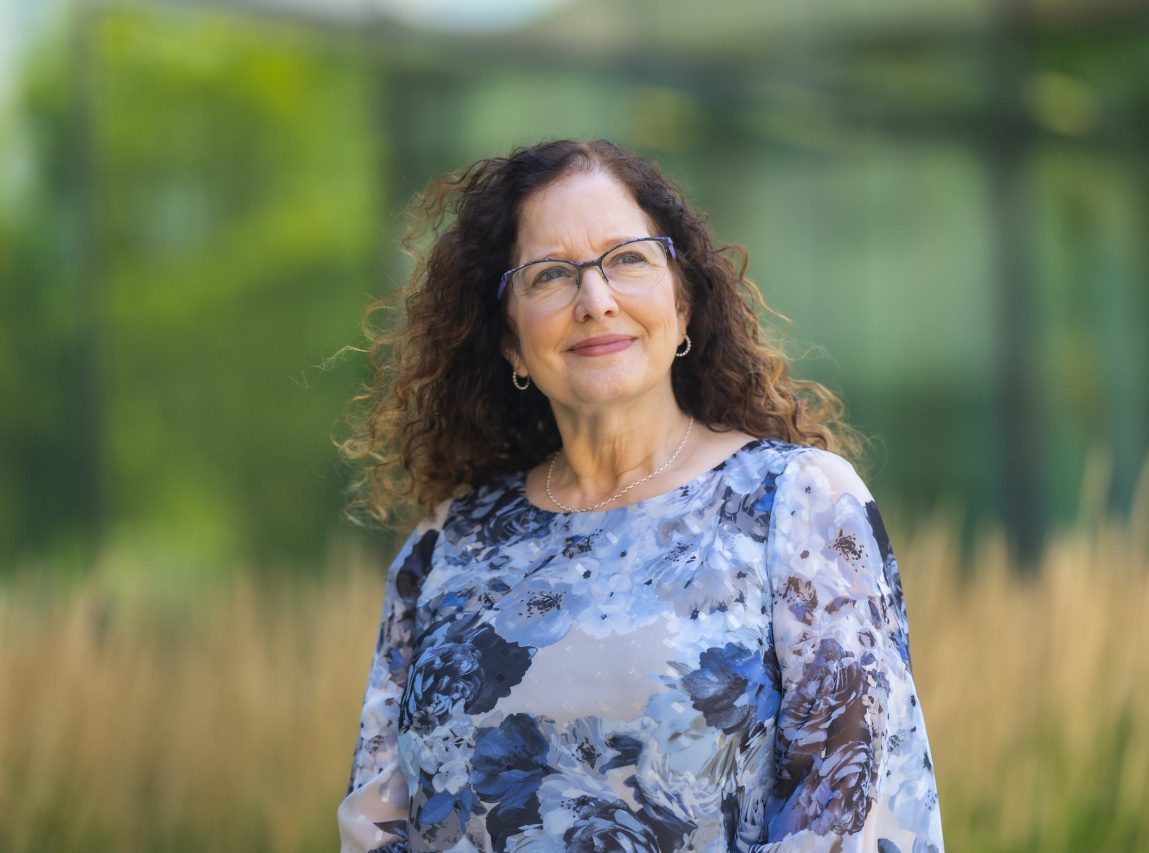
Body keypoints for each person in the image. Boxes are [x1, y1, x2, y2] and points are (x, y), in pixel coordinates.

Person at [336, 138, 944, 852]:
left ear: (682, 305)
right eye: (550, 275)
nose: (596, 301)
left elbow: (849, 810)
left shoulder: (797, 503)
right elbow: (376, 821)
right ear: (509, 342)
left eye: (627, 259)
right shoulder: (445, 545)